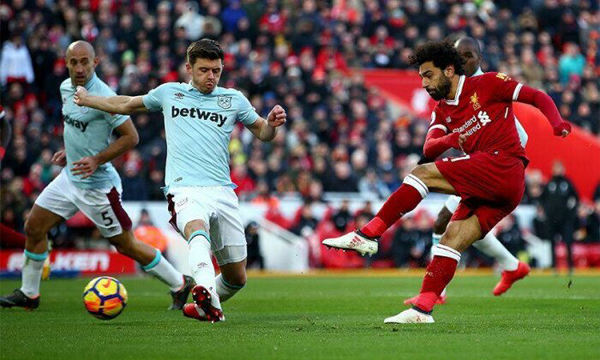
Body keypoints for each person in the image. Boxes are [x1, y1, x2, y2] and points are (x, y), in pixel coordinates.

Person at [323, 40, 571, 323]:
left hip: (503, 164)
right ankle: (423, 309)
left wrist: (556, 122)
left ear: (449, 71)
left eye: (429, 75)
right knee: (450, 238)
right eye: (421, 77)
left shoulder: (489, 83)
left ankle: (368, 234)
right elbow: (429, 148)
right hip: (499, 188)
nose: (425, 83)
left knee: (422, 174)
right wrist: (450, 139)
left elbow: (537, 96)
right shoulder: (441, 110)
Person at [73, 38, 287, 323]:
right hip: (184, 187)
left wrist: (271, 126)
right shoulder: (169, 93)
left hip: (223, 191)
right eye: (204, 70)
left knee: (237, 277)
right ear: (189, 68)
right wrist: (89, 100)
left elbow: (262, 131)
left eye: (216, 70)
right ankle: (206, 295)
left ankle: (204, 301)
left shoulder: (233, 99)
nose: (211, 77)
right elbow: (126, 104)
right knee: (197, 231)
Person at [0, 41, 193, 311]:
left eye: (84, 62)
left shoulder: (104, 96)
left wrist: (96, 159)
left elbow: (131, 137)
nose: (79, 68)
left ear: (95, 63)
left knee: (125, 245)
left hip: (98, 186)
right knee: (34, 227)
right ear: (65, 63)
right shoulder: (65, 88)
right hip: (70, 178)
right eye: (74, 62)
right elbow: (77, 127)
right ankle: (29, 293)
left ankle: (179, 282)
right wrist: (71, 151)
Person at [406, 37, 530, 306]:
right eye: (459, 56)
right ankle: (511, 266)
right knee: (457, 226)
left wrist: (499, 163)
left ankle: (438, 290)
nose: (464, 60)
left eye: (469, 55)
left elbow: (522, 135)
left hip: (495, 172)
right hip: (480, 168)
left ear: (480, 58)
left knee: (449, 224)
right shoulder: (454, 90)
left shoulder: (489, 87)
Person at [541, 161, 579, 273]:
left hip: (565, 219)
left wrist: (571, 212)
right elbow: (543, 199)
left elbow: (576, 198)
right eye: (555, 168)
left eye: (559, 168)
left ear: (563, 169)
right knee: (552, 243)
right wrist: (546, 212)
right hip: (552, 220)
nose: (557, 170)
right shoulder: (550, 183)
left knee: (568, 242)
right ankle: (554, 267)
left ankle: (570, 267)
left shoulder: (567, 183)